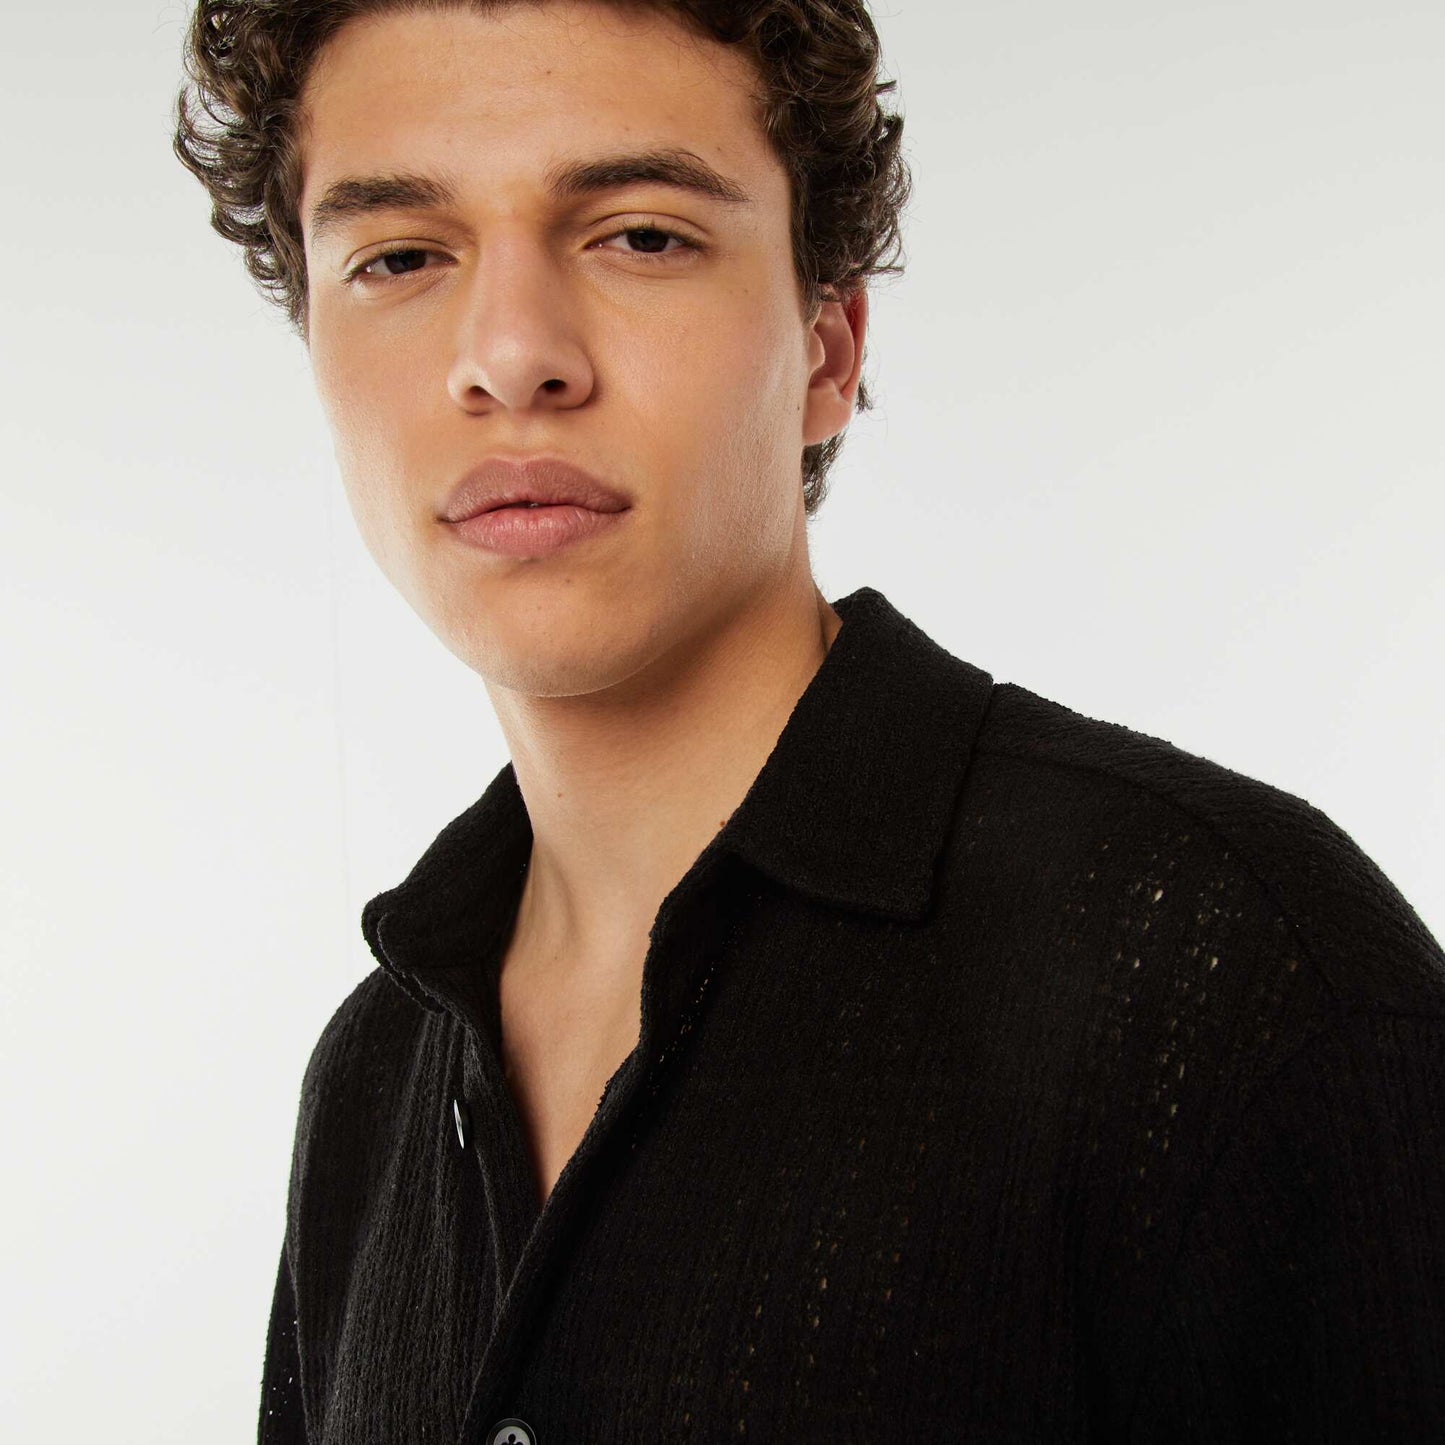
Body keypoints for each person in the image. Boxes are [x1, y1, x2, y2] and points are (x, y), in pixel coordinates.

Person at [173, 1, 1445, 1440]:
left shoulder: (1228, 977)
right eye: (401, 257)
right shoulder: (371, 1078)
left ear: (828, 350)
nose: (511, 355)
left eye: (639, 235)